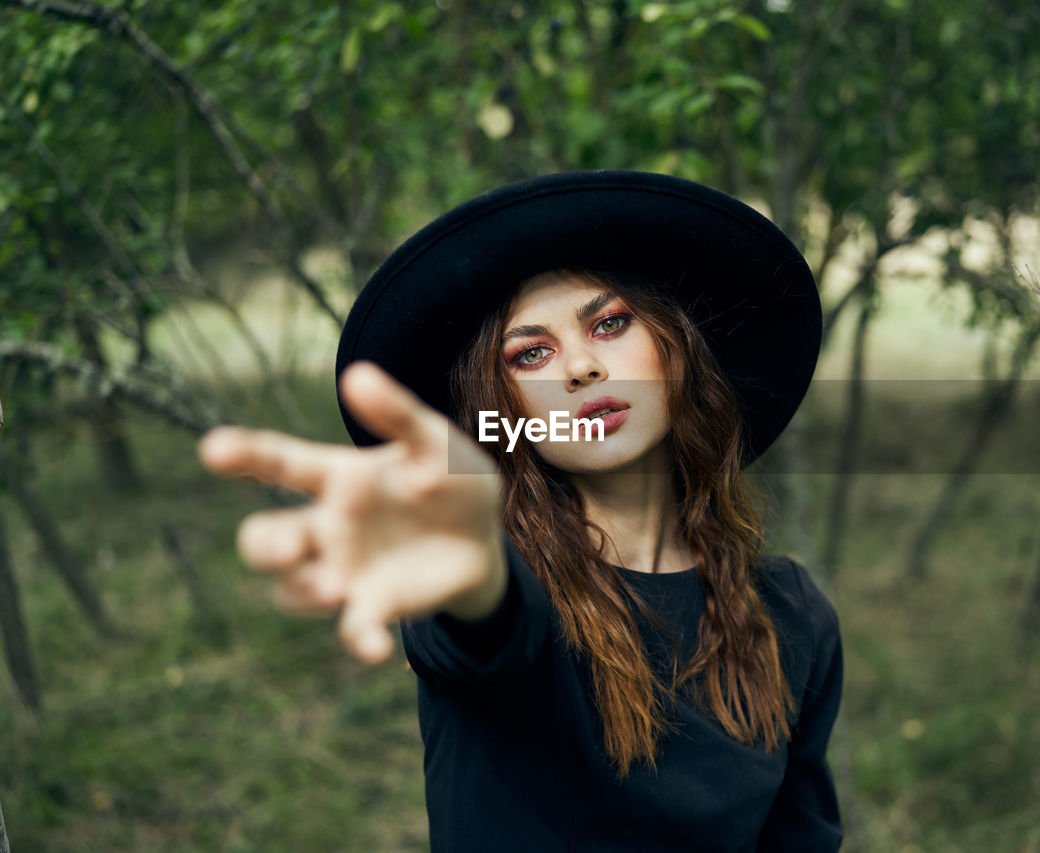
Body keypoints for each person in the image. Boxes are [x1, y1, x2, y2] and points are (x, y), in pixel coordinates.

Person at [199, 170, 843, 852]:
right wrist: (471, 560)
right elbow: (484, 613)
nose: (582, 366)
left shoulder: (792, 611)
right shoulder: (506, 589)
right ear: (504, 414)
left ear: (676, 346)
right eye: (532, 353)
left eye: (611, 321)